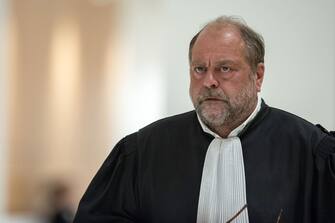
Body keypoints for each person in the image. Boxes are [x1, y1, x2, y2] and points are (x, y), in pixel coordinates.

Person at [73, 16, 335, 223]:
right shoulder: (142, 151)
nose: (209, 81)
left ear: (258, 76)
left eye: (225, 68)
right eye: (200, 69)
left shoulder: (312, 153)